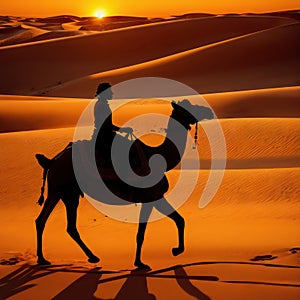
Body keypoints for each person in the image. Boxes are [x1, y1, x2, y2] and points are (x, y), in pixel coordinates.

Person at [92, 82, 132, 164]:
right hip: (104, 136)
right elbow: (106, 125)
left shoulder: (100, 104)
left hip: (102, 134)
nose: (112, 93)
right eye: (109, 91)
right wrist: (122, 129)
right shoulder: (102, 106)